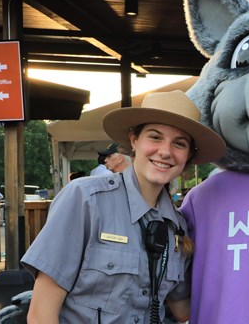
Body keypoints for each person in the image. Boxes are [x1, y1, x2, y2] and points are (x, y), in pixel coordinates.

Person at [21, 90, 226, 323]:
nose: (166, 151)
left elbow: (182, 309)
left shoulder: (177, 227)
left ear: (188, 156)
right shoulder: (85, 199)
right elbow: (41, 314)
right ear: (133, 139)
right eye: (155, 137)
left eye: (179, 144)